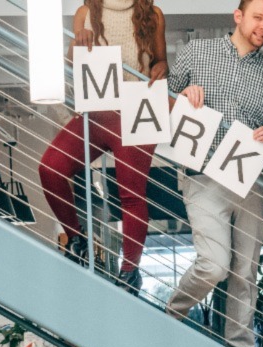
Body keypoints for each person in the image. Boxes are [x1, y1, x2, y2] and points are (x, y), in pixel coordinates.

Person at [163, 0, 263, 347]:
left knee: (245, 272)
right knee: (215, 265)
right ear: (238, 16)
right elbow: (160, 104)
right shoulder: (196, 52)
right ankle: (171, 313)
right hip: (203, 175)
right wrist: (180, 97)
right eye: (258, 18)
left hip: (249, 179)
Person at [39, 0, 168, 295]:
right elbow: (74, 63)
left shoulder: (153, 14)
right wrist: (77, 45)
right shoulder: (85, 13)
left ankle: (130, 272)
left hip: (137, 110)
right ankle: (76, 239)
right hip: (97, 110)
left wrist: (160, 68)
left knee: (131, 195)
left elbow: (161, 62)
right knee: (51, 167)